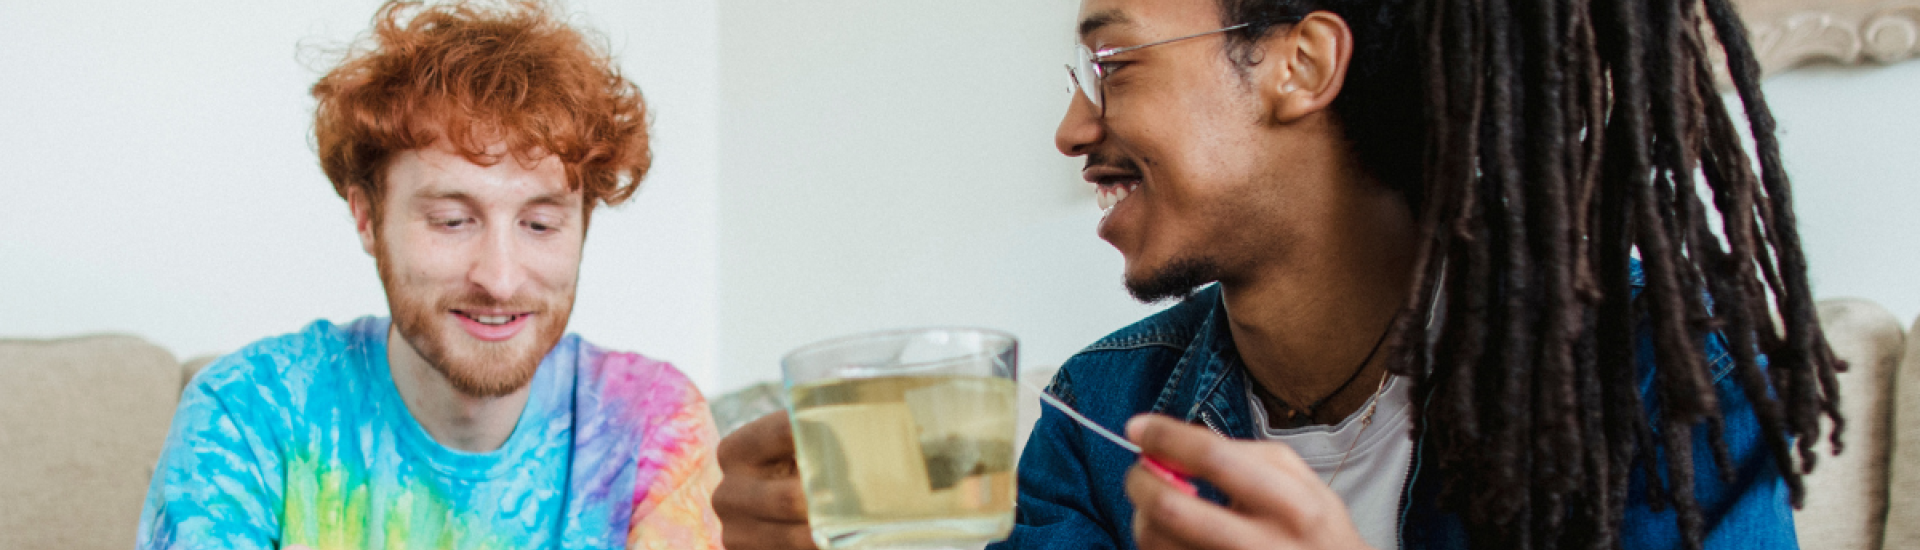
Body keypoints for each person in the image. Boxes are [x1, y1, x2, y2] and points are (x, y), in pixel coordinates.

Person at [713, 0, 1841, 548]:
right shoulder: (1102, 414)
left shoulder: (1653, 387)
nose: (1070, 127)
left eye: (1112, 63)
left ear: (1300, 66)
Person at [136, 2, 722, 549]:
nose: (499, 277)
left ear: (583, 225)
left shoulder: (650, 422)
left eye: (540, 224)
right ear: (368, 218)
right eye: (451, 220)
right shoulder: (248, 411)